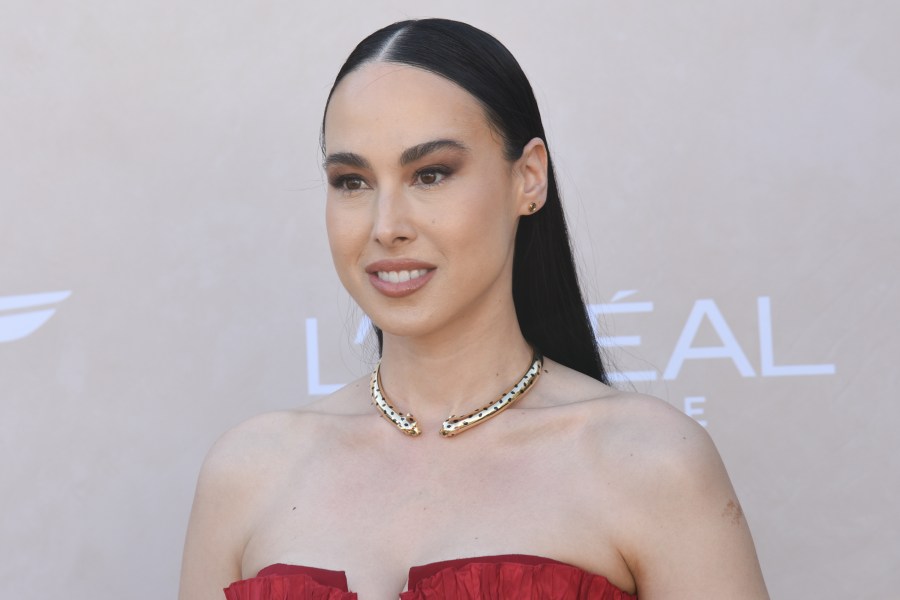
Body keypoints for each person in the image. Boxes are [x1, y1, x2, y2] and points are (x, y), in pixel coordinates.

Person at [178, 18, 769, 599]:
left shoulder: (650, 464)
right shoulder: (248, 474)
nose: (387, 227)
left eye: (430, 174)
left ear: (529, 178)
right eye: (352, 181)